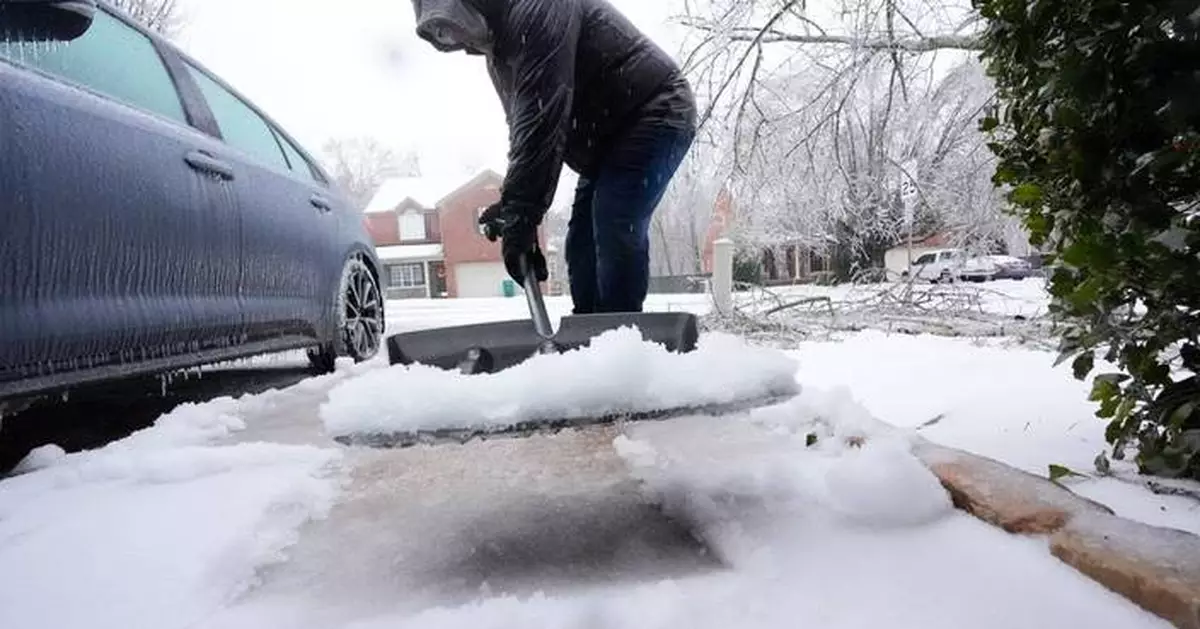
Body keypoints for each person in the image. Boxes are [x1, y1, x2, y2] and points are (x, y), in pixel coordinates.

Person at [411, 0, 697, 314]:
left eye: (457, 28)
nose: (462, 43)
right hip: (604, 139)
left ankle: (622, 339)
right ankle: (590, 337)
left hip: (654, 108)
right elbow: (525, 134)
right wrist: (514, 206)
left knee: (615, 220)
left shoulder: (541, 8)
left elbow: (542, 118)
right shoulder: (501, 52)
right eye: (448, 37)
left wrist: (523, 214)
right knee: (580, 246)